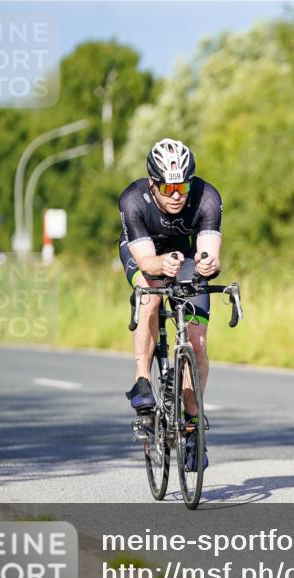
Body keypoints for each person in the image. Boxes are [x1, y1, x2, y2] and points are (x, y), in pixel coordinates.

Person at [118, 138, 222, 470]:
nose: (177, 194)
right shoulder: (134, 200)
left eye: (183, 186)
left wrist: (207, 264)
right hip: (144, 255)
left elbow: (209, 252)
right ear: (153, 183)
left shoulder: (207, 197)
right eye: (168, 187)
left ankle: (192, 425)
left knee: (198, 342)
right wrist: (160, 265)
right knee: (148, 293)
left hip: (185, 256)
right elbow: (148, 262)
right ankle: (143, 381)